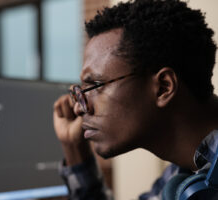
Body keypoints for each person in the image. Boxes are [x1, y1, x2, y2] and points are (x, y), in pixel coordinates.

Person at [53, 0, 218, 199]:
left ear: (163, 87)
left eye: (95, 85)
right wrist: (74, 148)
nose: (79, 109)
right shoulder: (182, 176)